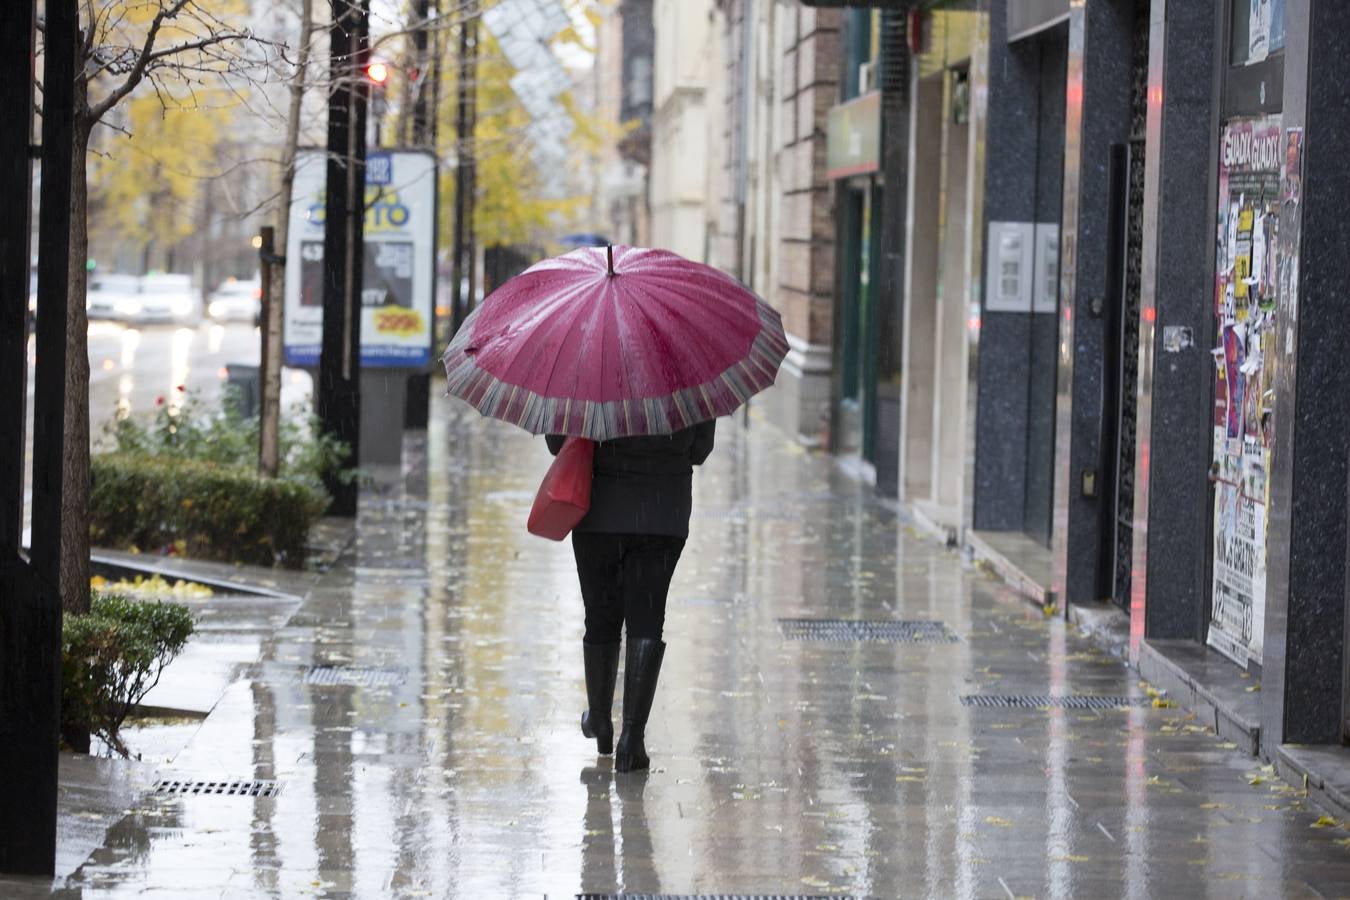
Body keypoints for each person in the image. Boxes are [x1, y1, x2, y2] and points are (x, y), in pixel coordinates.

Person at [546, 420, 716, 772]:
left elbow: (555, 441)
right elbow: (700, 450)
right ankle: (632, 740)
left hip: (598, 510)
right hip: (662, 513)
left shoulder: (586, 365)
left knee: (600, 613)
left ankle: (600, 718)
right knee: (648, 617)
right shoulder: (685, 369)